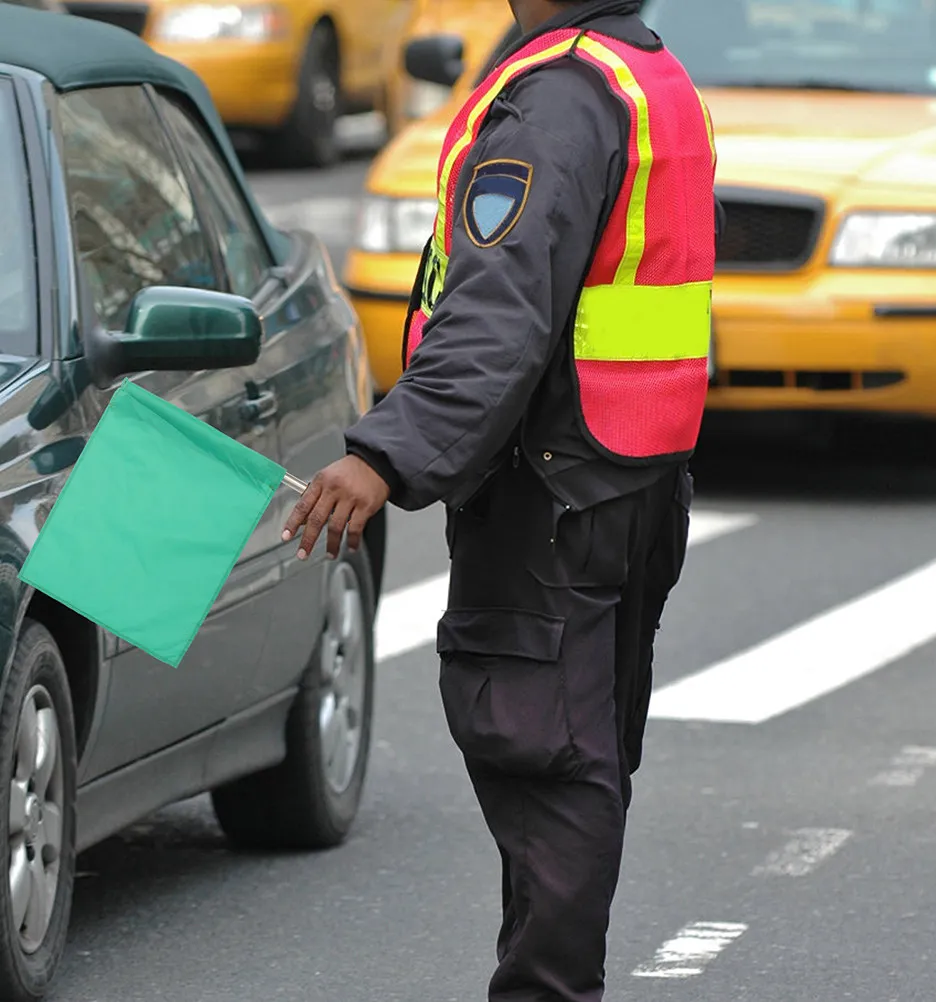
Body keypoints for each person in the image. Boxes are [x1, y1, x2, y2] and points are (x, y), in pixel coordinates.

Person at [282, 1, 720, 998]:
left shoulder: (559, 98)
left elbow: (497, 315)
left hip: (555, 487)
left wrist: (387, 456)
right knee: (576, 754)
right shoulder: (642, 72)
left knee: (547, 757)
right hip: (628, 472)